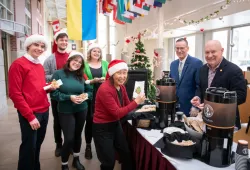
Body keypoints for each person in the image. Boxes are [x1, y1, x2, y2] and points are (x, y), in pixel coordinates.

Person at [8, 34, 53, 170]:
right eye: (36, 45)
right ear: (28, 45)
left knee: (37, 145)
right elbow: (15, 94)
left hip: (44, 110)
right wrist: (30, 116)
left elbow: (37, 88)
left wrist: (49, 87)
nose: (39, 48)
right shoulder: (18, 64)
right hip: (31, 113)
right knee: (29, 147)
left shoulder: (38, 65)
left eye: (42, 46)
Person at [93, 59, 146, 170]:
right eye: (119, 73)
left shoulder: (121, 87)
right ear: (112, 74)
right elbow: (117, 113)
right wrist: (136, 102)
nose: (122, 76)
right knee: (108, 161)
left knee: (125, 153)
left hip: (115, 124)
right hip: (102, 127)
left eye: (124, 73)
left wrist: (138, 104)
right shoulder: (105, 89)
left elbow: (127, 104)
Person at [50, 51, 92, 170]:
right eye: (75, 60)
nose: (77, 63)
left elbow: (89, 90)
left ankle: (76, 160)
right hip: (65, 110)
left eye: (80, 62)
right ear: (69, 60)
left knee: (77, 135)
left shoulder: (82, 75)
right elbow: (54, 93)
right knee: (69, 138)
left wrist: (84, 97)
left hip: (81, 109)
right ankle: (64, 164)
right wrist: (69, 97)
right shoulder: (58, 74)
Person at [191, 40, 247, 129]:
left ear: (221, 51)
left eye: (213, 52)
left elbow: (241, 96)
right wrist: (198, 97)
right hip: (206, 118)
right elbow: (201, 87)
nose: (209, 55)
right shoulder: (202, 69)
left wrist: (213, 104)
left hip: (225, 121)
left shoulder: (234, 70)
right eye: (207, 52)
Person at [43, 28, 69, 157]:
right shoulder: (49, 59)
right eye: (61, 40)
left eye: (66, 40)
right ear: (56, 41)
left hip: (71, 94)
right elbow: (44, 76)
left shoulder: (71, 57)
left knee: (70, 120)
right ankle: (59, 144)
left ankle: (68, 144)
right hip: (56, 95)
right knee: (58, 120)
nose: (64, 42)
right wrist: (57, 76)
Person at [83, 43, 108, 159]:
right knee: (90, 121)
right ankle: (88, 145)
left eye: (98, 51)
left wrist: (105, 80)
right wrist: (93, 81)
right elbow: (82, 80)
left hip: (103, 96)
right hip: (90, 96)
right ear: (90, 53)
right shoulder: (84, 65)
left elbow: (109, 76)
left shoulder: (105, 64)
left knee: (103, 120)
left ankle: (102, 145)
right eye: (94, 51)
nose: (97, 53)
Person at [170, 38, 203, 116]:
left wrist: (195, 106)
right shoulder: (173, 64)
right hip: (174, 107)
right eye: (177, 48)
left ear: (187, 48)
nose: (179, 50)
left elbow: (199, 86)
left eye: (182, 48)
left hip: (190, 108)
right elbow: (172, 84)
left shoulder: (196, 63)